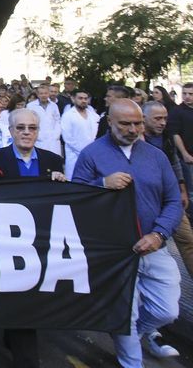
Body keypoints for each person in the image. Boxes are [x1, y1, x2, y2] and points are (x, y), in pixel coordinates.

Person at [74, 99, 183, 366]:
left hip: (154, 246)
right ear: (110, 121)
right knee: (126, 313)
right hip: (115, 251)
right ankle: (130, 360)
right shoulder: (91, 154)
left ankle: (136, 332)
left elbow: (172, 201)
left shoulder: (156, 156)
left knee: (167, 310)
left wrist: (158, 234)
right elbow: (75, 198)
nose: (132, 129)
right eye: (125, 123)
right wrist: (101, 184)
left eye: (137, 123)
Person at [143, 101, 193, 275]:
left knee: (187, 240)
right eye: (157, 119)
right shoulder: (133, 140)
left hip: (170, 201)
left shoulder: (166, 137)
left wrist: (182, 189)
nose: (163, 122)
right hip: (146, 202)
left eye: (165, 118)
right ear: (144, 119)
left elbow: (174, 163)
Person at [60, 89, 98, 177]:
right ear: (73, 99)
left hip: (93, 155)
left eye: (85, 98)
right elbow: (68, 138)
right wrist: (84, 152)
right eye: (80, 98)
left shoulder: (94, 115)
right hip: (75, 155)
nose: (83, 101)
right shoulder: (68, 115)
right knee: (75, 180)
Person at [168, 82, 193, 204]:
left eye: (191, 94)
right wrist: (185, 153)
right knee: (191, 191)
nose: (187, 96)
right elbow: (174, 134)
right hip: (187, 158)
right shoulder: (177, 111)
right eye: (185, 93)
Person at [26, 84, 62, 155]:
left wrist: (56, 134)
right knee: (41, 161)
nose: (43, 95)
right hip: (38, 139)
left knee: (55, 160)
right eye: (41, 93)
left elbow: (58, 121)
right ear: (37, 94)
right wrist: (37, 135)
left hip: (53, 139)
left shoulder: (54, 106)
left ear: (48, 93)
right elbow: (29, 122)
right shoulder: (30, 106)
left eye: (45, 93)